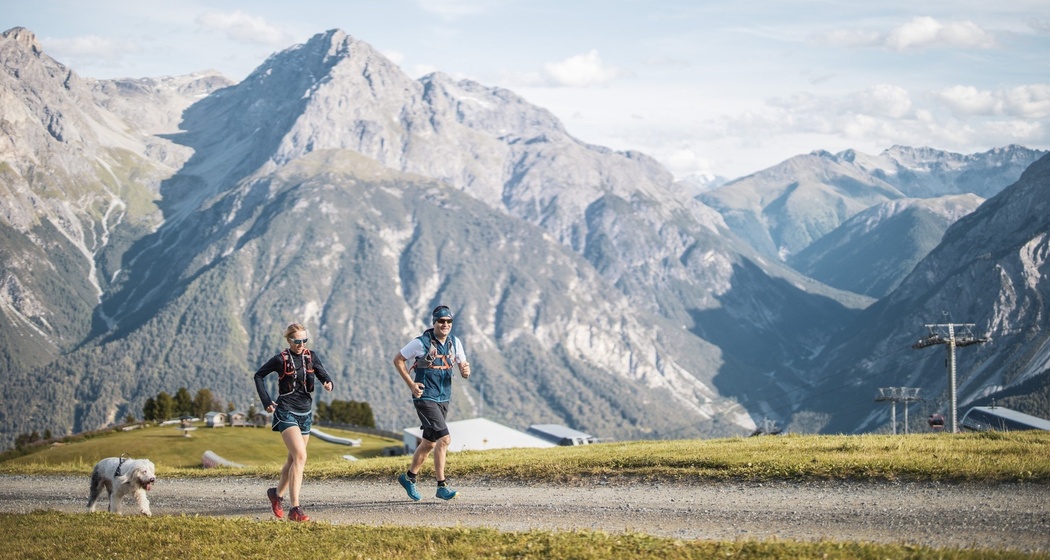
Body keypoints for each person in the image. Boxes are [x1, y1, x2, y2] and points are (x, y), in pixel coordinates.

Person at [253, 322, 334, 521]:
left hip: (305, 413)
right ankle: (295, 508)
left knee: (292, 460)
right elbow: (259, 375)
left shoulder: (311, 356)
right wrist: (266, 402)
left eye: (304, 340)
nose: (301, 344)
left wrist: (327, 381)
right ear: (289, 340)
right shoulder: (280, 360)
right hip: (286, 411)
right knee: (300, 457)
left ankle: (276, 494)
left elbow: (321, 371)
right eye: (297, 341)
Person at [393, 305, 470, 501]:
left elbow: (463, 366)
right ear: (434, 323)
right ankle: (441, 486)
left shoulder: (455, 342)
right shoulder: (421, 343)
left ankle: (408, 478)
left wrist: (465, 371)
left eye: (448, 321)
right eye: (441, 321)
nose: (445, 324)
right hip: (425, 397)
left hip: (444, 398)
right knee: (444, 439)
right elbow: (398, 360)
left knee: (429, 442)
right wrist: (411, 384)